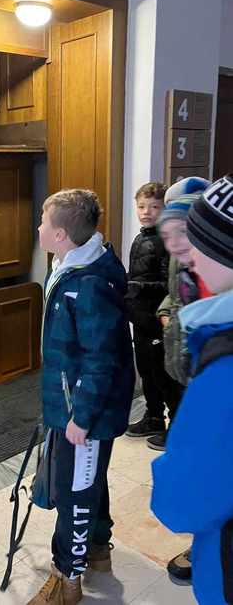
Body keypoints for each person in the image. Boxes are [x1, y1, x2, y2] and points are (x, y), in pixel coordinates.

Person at [28, 189, 134, 605]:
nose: (37, 227)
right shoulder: (70, 264)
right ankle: (97, 550)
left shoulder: (88, 283)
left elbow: (101, 360)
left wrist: (82, 417)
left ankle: (67, 578)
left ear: (60, 235)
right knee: (89, 479)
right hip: (73, 400)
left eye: (43, 221)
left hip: (84, 411)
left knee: (74, 492)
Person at [152, 174, 233, 605]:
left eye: (198, 242)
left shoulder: (225, 368)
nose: (190, 255)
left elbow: (181, 502)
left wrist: (168, 468)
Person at [154, 176, 211, 580]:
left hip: (208, 375)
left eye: (183, 231)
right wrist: (166, 311)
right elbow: (175, 292)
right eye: (168, 232)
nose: (174, 242)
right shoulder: (183, 258)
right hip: (187, 371)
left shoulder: (217, 269)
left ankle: (207, 546)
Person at [125, 182, 183, 445]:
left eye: (154, 207)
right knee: (146, 371)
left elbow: (169, 284)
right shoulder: (140, 238)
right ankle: (154, 416)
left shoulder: (167, 240)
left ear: (165, 208)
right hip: (140, 318)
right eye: (141, 207)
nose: (146, 212)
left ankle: (176, 426)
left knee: (164, 374)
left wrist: (138, 286)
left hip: (158, 318)